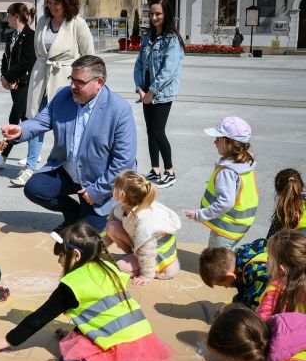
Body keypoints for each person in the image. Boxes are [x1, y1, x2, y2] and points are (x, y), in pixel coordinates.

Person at [0, 221, 171, 361]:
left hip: (116, 343)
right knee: (73, 344)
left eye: (62, 256)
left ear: (76, 256)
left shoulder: (71, 285)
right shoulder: (108, 265)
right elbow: (103, 312)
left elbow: (39, 318)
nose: (59, 261)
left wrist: (7, 340)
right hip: (138, 335)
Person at [1, 55, 137, 232]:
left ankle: (89, 214)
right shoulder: (63, 96)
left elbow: (124, 162)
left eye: (79, 82)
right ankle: (73, 213)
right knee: (35, 188)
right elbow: (42, 121)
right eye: (71, 79)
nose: (73, 86)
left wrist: (97, 191)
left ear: (99, 82)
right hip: (68, 173)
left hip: (98, 181)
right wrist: (21, 130)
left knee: (86, 237)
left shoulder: (119, 110)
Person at [14, 0, 95, 187]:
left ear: (65, 3)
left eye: (56, 3)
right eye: (49, 3)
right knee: (35, 121)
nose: (51, 7)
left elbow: (90, 57)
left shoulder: (77, 24)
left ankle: (69, 166)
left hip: (65, 79)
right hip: (41, 77)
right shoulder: (42, 21)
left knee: (67, 124)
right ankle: (30, 167)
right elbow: (38, 50)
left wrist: (88, 84)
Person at [133, 0, 185, 189]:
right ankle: (155, 169)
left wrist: (152, 92)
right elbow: (139, 65)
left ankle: (170, 171)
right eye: (152, 13)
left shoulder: (172, 40)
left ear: (166, 14)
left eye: (158, 14)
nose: (154, 18)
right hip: (145, 92)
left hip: (161, 94)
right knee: (149, 131)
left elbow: (168, 71)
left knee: (158, 131)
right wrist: (139, 88)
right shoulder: (148, 38)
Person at [184, 116, 258, 249]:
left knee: (216, 264)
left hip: (225, 228)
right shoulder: (246, 161)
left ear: (229, 142)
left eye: (218, 139)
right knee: (225, 259)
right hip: (239, 225)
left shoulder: (227, 171)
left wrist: (200, 214)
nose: (214, 142)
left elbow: (226, 202)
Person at [106, 171, 181, 285]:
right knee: (112, 226)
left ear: (122, 194)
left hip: (156, 254)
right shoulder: (123, 207)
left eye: (115, 186)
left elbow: (147, 252)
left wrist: (146, 275)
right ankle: (132, 256)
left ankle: (159, 267)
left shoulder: (145, 221)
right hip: (141, 247)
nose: (112, 188)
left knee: (117, 268)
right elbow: (109, 230)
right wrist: (95, 248)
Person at [0, 3, 36, 169]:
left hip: (26, 83)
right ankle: (35, 153)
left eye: (8, 15)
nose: (6, 18)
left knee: (14, 118)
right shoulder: (11, 36)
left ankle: (3, 155)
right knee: (27, 119)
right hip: (14, 84)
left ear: (15, 16)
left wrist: (8, 76)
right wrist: (4, 76)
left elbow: (27, 61)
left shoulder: (31, 36)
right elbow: (6, 58)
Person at [198, 238, 269, 309]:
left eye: (222, 285)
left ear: (230, 276)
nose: (226, 287)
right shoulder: (240, 255)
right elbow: (243, 291)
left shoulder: (257, 275)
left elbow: (254, 306)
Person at [257, 230, 306, 321]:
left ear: (281, 270)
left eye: (268, 258)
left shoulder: (274, 292)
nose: (266, 260)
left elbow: (261, 324)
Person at [266, 168, 305, 239]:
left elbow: (271, 240)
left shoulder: (285, 211)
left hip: (295, 249)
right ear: (301, 186)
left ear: (277, 191)